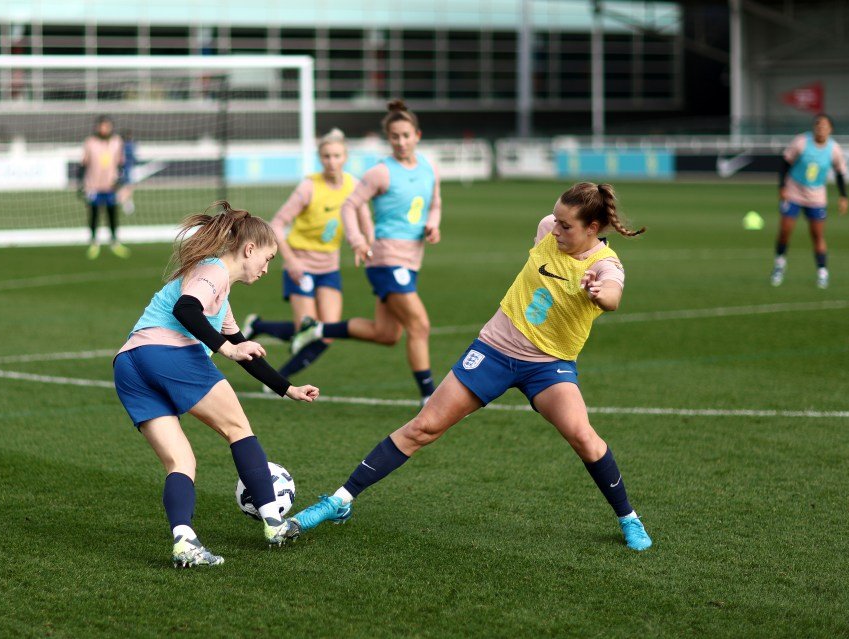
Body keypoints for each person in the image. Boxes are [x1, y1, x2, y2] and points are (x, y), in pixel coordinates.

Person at [288, 183, 654, 552]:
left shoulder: (605, 266)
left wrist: (596, 291)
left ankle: (629, 518)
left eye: (566, 226)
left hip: (548, 365)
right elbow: (551, 231)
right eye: (556, 220)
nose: (556, 229)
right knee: (423, 427)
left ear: (593, 228)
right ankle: (340, 500)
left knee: (583, 437)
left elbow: (612, 294)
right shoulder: (547, 228)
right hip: (493, 350)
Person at [112, 202, 319, 567]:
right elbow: (186, 311)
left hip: (129, 363)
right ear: (248, 249)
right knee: (238, 428)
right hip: (166, 353)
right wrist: (225, 349)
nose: (267, 269)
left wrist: (288, 388)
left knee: (181, 461)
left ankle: (184, 543)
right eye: (267, 259)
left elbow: (244, 349)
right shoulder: (214, 272)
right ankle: (274, 522)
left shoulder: (219, 295)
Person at [290, 100, 442, 405]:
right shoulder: (381, 172)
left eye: (406, 135)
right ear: (389, 139)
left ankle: (317, 329)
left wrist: (433, 226)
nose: (400, 142)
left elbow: (435, 203)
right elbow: (350, 205)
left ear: (417, 135)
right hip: (386, 258)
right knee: (419, 325)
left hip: (412, 258)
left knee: (387, 334)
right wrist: (358, 240)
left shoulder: (428, 168)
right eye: (394, 137)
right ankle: (431, 397)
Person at [240, 128, 372, 382]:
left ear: (345, 157)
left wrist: (368, 245)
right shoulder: (309, 186)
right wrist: (292, 260)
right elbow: (277, 224)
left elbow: (365, 219)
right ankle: (280, 379)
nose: (331, 161)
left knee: (327, 332)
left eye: (336, 156)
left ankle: (259, 328)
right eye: (326, 156)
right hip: (301, 265)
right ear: (320, 158)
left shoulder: (354, 185)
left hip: (329, 267)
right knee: (305, 329)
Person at [771, 113, 848, 289]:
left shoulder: (834, 149)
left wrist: (843, 196)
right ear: (814, 127)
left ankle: (822, 272)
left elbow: (840, 173)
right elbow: (785, 163)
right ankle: (779, 265)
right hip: (794, 191)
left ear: (830, 129)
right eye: (818, 125)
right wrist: (782, 187)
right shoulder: (801, 142)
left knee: (817, 235)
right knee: (785, 230)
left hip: (816, 196)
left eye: (824, 126)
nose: (820, 129)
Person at [79, 115, 130, 259]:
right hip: (93, 186)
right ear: (97, 127)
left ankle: (114, 242)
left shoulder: (117, 142)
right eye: (102, 126)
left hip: (111, 186)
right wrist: (80, 185)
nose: (104, 128)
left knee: (112, 214)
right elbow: (84, 163)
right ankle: (94, 243)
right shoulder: (90, 142)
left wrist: (121, 180)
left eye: (107, 126)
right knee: (94, 214)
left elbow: (121, 163)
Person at [118, 129, 137, 215]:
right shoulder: (128, 146)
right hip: (126, 170)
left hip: (126, 169)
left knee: (127, 187)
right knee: (127, 187)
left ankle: (125, 202)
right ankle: (124, 202)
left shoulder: (122, 145)